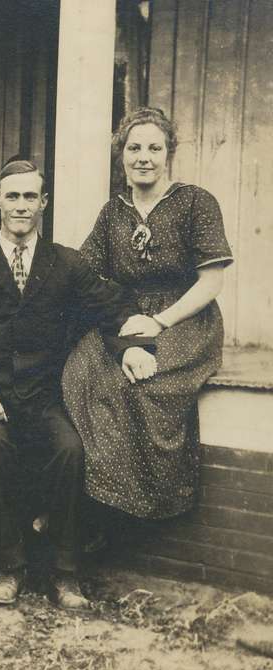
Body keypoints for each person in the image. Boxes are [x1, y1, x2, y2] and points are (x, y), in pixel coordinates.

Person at [0, 159, 156, 609]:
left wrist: (131, 347)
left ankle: (65, 572)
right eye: (11, 196)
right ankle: (9, 566)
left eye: (30, 196)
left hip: (43, 398)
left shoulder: (66, 264)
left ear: (44, 203)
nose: (20, 206)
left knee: (71, 450)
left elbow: (111, 309)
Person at [62, 107, 233, 539]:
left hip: (185, 318)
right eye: (134, 148)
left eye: (154, 148)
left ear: (168, 153)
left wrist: (159, 321)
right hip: (125, 316)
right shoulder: (112, 212)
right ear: (121, 155)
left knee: (141, 384)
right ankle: (93, 500)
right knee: (81, 372)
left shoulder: (196, 201)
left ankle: (135, 507)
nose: (144, 157)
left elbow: (211, 281)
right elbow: (86, 274)